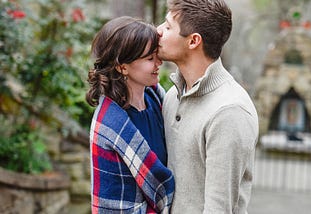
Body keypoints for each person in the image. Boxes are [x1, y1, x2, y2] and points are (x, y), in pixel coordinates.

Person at [157, 0, 259, 213]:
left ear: (193, 41)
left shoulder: (229, 111)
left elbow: (219, 209)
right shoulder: (172, 95)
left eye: (167, 27)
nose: (158, 31)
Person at [86, 16, 174, 213]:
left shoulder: (157, 99)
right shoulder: (110, 124)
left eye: (156, 55)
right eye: (150, 58)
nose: (159, 62)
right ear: (122, 66)